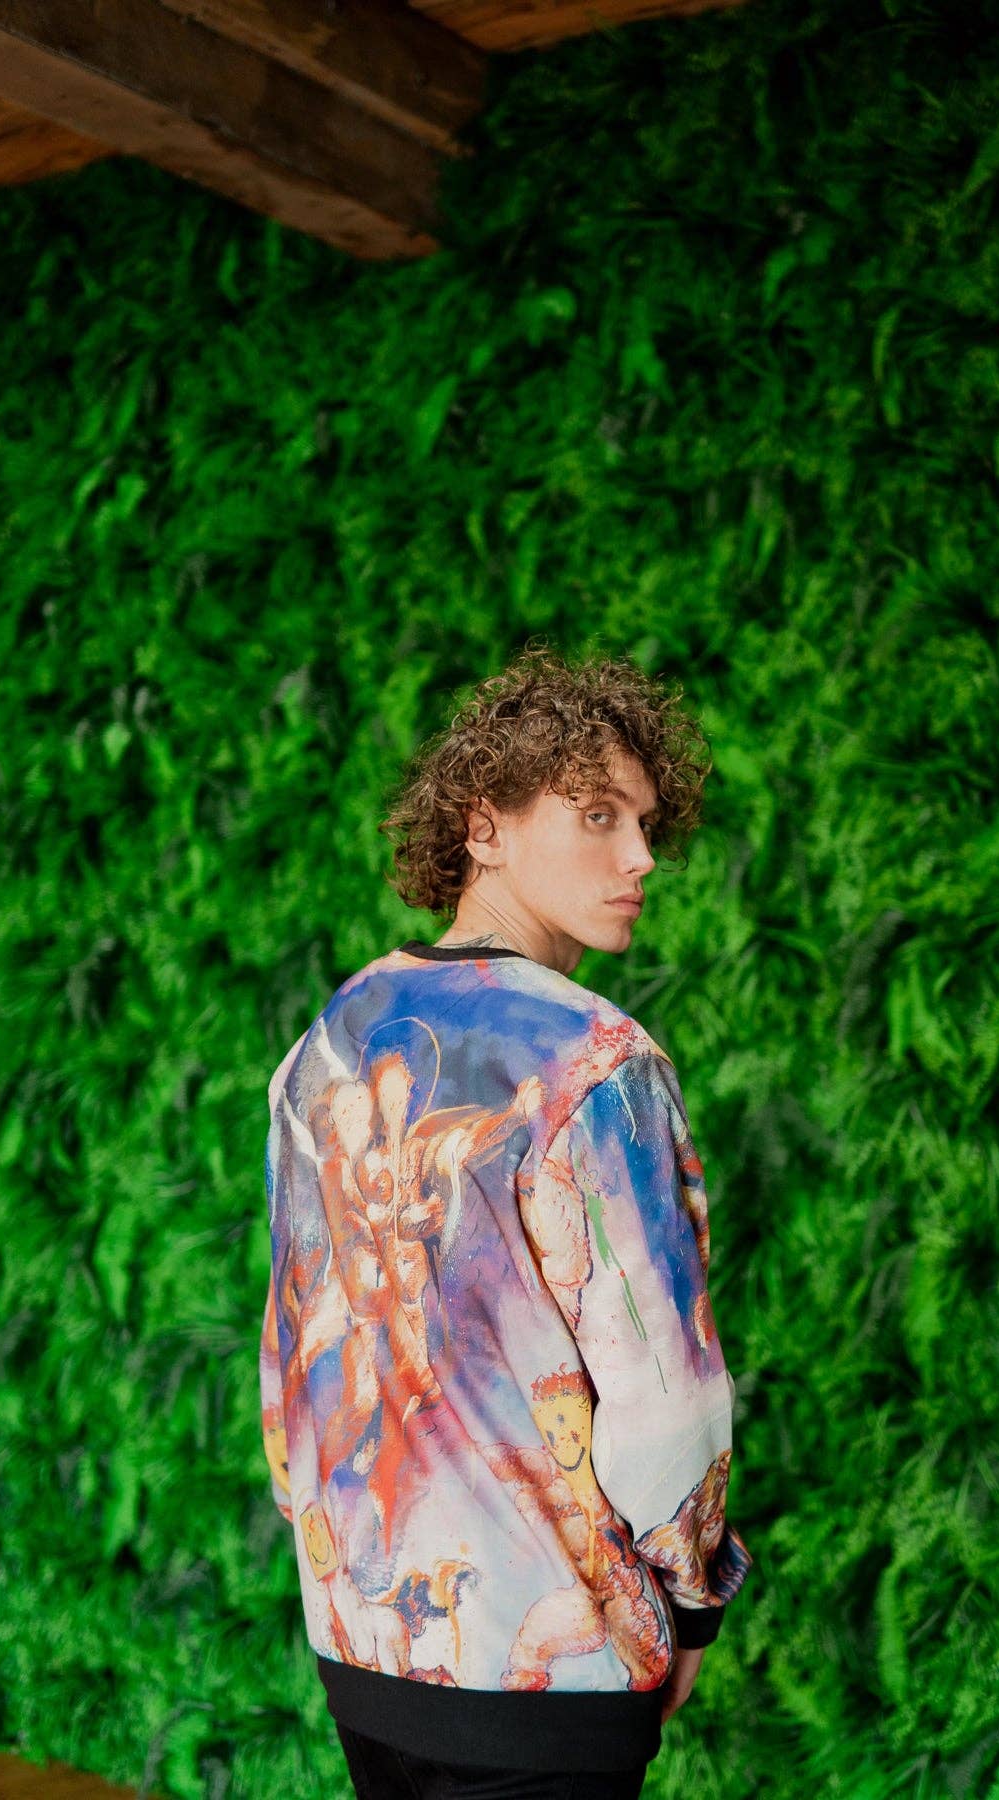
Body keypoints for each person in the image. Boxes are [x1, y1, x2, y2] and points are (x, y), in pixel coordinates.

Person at [258, 643, 753, 1799]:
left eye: (646, 824)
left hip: (362, 1645)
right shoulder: (596, 1064)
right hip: (550, 1679)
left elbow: (291, 1360)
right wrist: (692, 1605)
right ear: (482, 826)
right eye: (597, 815)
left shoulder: (326, 1043)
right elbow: (666, 1403)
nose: (641, 857)